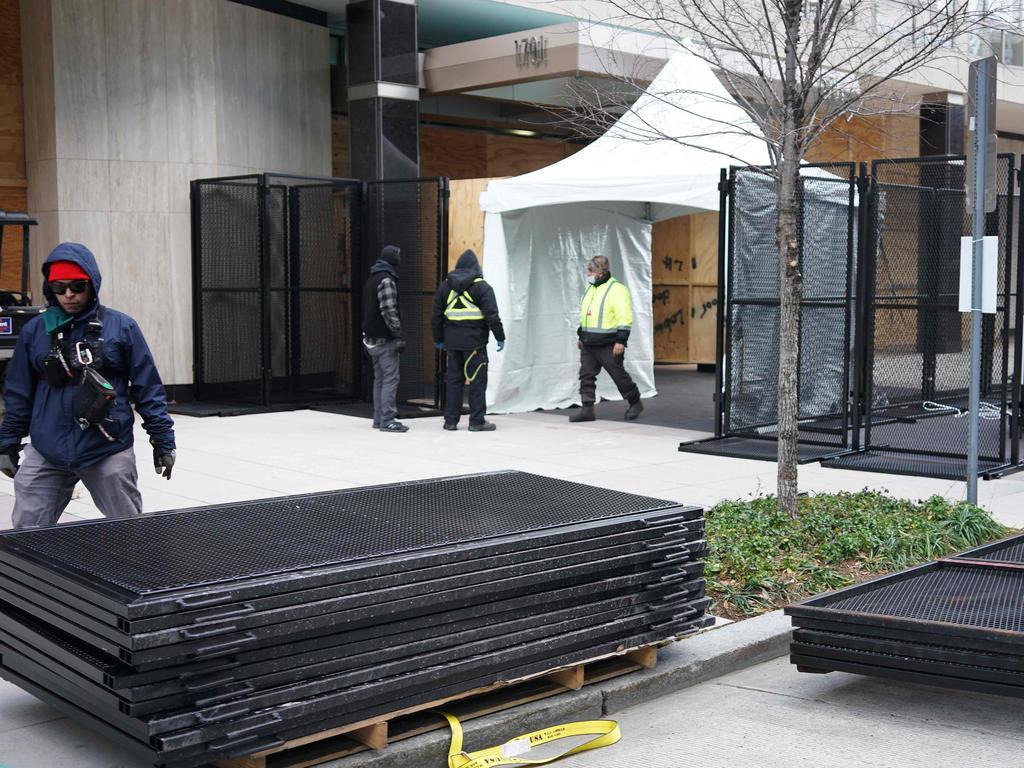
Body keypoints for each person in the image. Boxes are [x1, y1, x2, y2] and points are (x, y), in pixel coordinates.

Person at [0, 243, 177, 528]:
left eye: (77, 286)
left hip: (106, 448)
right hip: (48, 448)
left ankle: (135, 571)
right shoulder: (36, 330)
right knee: (26, 533)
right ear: (50, 289)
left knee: (128, 529)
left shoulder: (121, 327)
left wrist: (163, 441)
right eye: (60, 287)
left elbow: (148, 388)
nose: (69, 294)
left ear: (92, 284)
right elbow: (19, 392)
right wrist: (7, 442)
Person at [431, 249, 505, 432]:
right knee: (477, 382)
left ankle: (450, 421)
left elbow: (436, 316)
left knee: (454, 381)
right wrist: (500, 337)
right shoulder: (482, 287)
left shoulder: (445, 286)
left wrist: (439, 339)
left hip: (452, 344)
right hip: (475, 344)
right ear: (475, 267)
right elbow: (492, 316)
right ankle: (476, 421)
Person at [570, 255, 643, 422]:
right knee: (586, 375)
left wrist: (621, 341)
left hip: (609, 344)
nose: (587, 273)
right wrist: (581, 336)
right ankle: (587, 410)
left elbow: (624, 316)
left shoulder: (617, 289)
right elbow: (585, 316)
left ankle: (635, 402)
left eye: (591, 270)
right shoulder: (591, 288)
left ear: (601, 272)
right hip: (589, 344)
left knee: (618, 376)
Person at [362, 245, 408, 433]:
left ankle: (378, 418)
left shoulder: (372, 278)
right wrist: (398, 334)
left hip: (371, 339)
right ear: (393, 260)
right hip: (384, 339)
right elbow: (389, 310)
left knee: (379, 379)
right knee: (390, 379)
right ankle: (388, 419)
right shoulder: (386, 280)